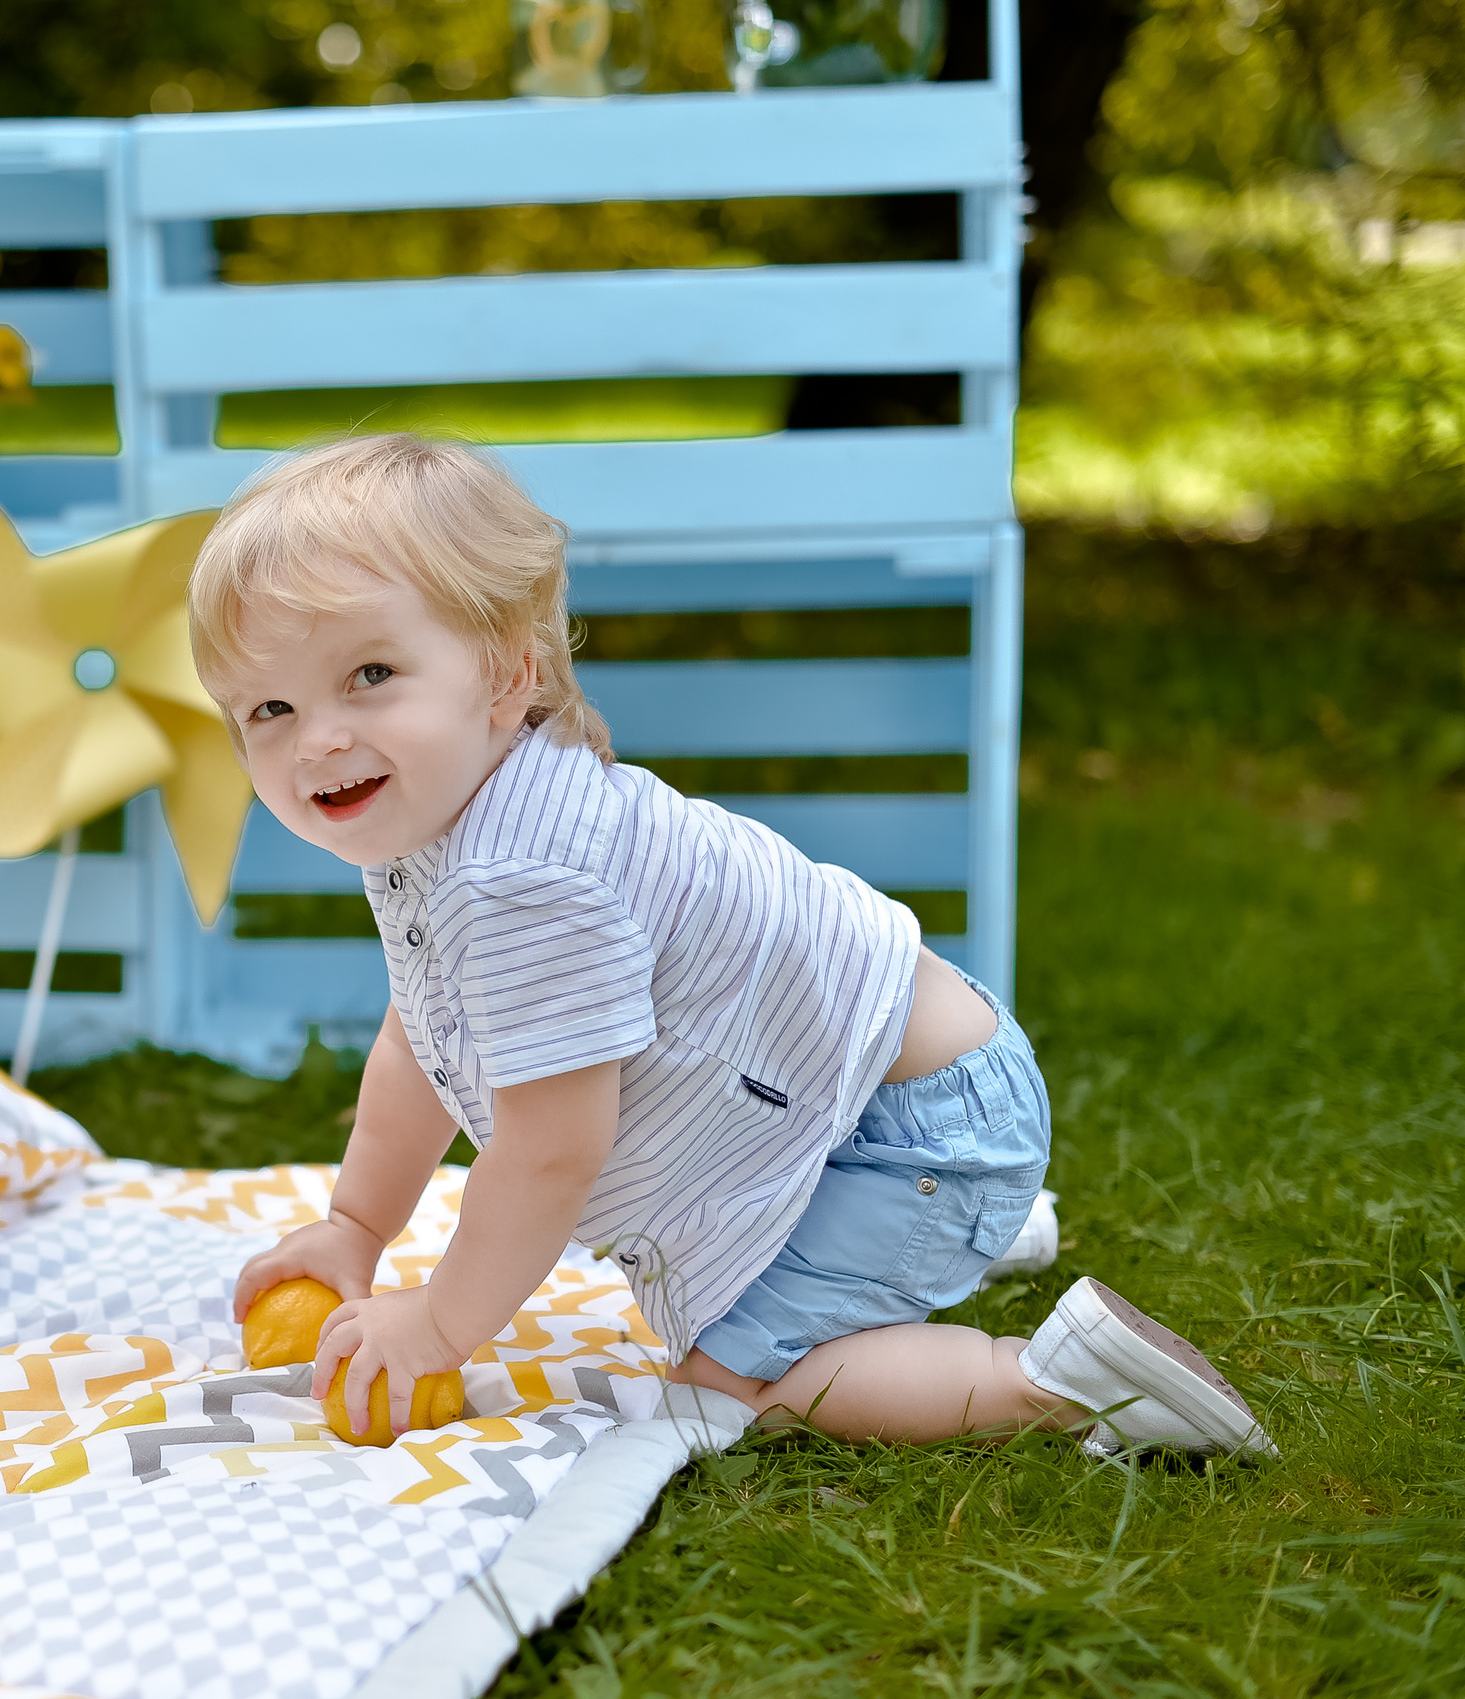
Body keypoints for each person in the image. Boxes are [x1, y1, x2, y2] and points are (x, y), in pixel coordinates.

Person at [186, 433, 1275, 1458]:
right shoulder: (446, 825)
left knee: (732, 1379)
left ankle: (1059, 1381)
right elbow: (421, 1036)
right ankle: (930, 1240)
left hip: (908, 1135)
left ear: (505, 675)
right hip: (872, 1094)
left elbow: (550, 1151)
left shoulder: (523, 880)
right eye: (268, 707)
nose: (318, 737)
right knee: (734, 1308)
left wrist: (438, 1325)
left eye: (371, 675)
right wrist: (354, 1226)